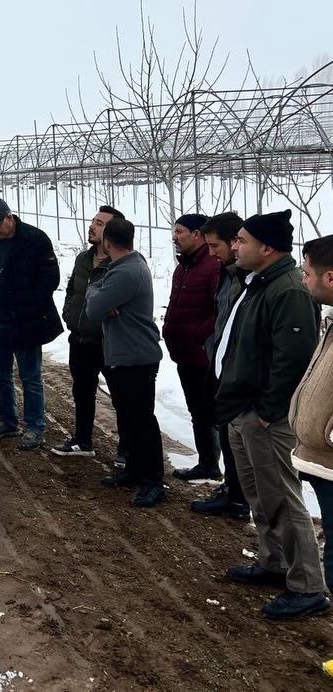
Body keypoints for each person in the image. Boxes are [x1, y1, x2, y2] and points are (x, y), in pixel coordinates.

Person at [216, 209, 328, 620]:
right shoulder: (257, 282)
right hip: (243, 407)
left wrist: (268, 410)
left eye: (242, 240)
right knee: (260, 494)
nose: (235, 245)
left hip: (264, 416)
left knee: (281, 497)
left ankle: (307, 586)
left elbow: (293, 358)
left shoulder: (287, 291)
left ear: (266, 248)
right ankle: (273, 560)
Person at [0, 198, 63, 450]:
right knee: (0, 373)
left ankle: (35, 425)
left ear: (9, 218)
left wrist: (30, 305)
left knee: (30, 376)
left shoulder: (34, 239)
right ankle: (8, 420)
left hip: (24, 321)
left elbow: (50, 278)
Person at [85, 218, 166, 507]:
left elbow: (93, 307)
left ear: (107, 243)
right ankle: (133, 469)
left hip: (135, 356)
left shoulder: (126, 272)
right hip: (124, 354)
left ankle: (153, 481)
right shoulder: (125, 266)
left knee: (142, 420)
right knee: (128, 417)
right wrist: (102, 295)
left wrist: (97, 293)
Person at [191, 212, 252, 519]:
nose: (211, 253)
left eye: (216, 246)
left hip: (236, 375)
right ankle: (232, 488)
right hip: (221, 366)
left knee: (236, 438)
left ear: (235, 242)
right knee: (227, 434)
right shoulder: (229, 275)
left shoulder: (245, 280)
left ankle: (239, 498)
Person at [54, 205, 124, 457]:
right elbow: (72, 289)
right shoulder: (83, 259)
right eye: (93, 220)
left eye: (100, 223)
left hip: (108, 341)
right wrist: (69, 314)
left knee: (120, 396)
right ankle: (83, 440)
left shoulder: (120, 263)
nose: (93, 226)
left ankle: (126, 448)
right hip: (81, 337)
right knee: (82, 391)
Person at [162, 213, 223, 481]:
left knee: (209, 413)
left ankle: (215, 465)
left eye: (180, 231)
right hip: (185, 352)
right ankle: (207, 462)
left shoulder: (212, 266)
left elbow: (219, 308)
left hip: (202, 355)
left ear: (197, 234)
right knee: (197, 410)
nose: (175, 237)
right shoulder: (183, 267)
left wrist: (200, 336)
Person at [293, 234, 333, 597]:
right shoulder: (331, 320)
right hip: (323, 462)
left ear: (330, 277)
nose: (302, 279)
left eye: (307, 273)